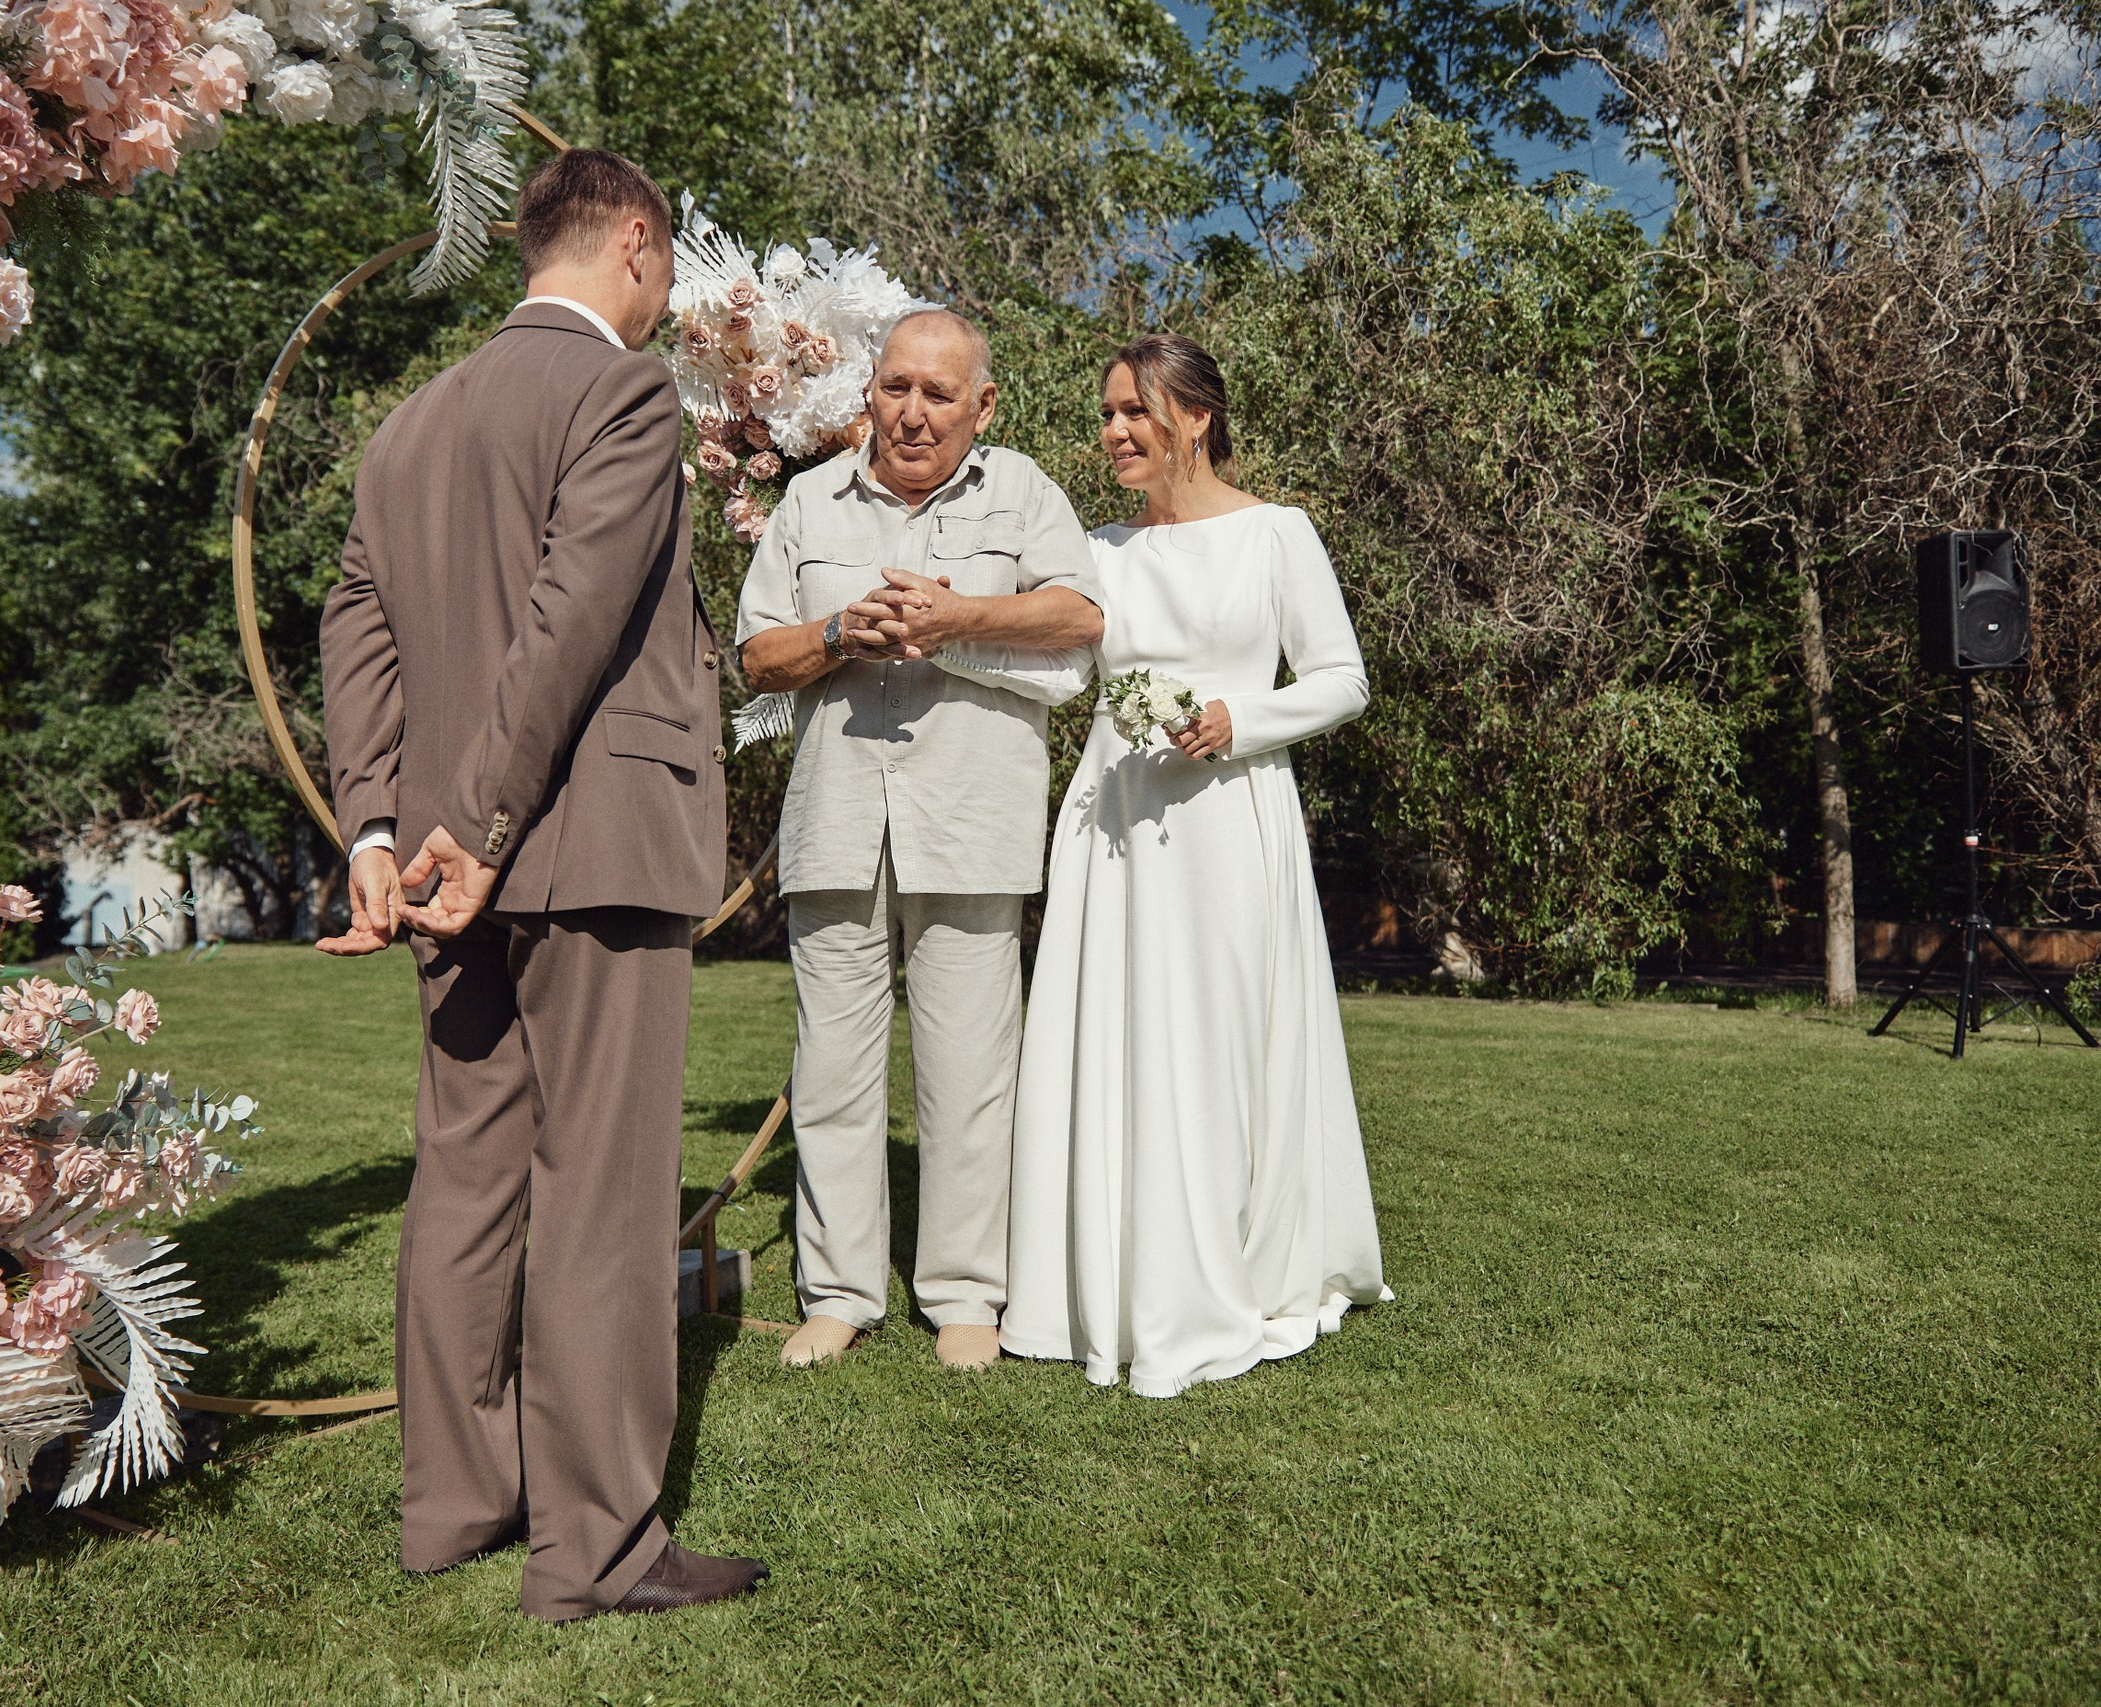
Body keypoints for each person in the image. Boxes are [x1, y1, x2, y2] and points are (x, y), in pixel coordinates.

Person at [315, 148, 767, 1620]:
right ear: (638, 239)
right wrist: (492, 821)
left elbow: (357, 624)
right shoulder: (623, 393)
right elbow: (574, 618)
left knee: (466, 1173)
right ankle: (600, 1547)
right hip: (582, 843)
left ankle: (454, 1503)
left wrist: (380, 829)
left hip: (451, 860)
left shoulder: (410, 425)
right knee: (604, 1194)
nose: (671, 294)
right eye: (672, 263)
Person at [999, 332, 1389, 1397]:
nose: (1113, 432)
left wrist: (1240, 717)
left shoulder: (1277, 536)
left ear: (1195, 417)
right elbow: (1057, 672)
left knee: (1214, 1038)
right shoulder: (1098, 549)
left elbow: (1343, 678)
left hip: (1225, 818)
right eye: (1108, 413)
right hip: (1112, 818)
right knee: (1112, 1030)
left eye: (1134, 412)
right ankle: (1103, 1282)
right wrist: (942, 634)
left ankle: (1224, 1265)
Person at [735, 309, 1102, 1372]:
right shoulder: (809, 501)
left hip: (972, 816)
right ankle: (838, 1293)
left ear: (982, 407)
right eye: (896, 387)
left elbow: (1080, 616)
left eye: (939, 394)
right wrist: (839, 633)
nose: (912, 411)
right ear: (869, 394)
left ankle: (963, 1298)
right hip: (836, 818)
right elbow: (758, 657)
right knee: (834, 1068)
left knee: (969, 1072)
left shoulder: (1024, 493)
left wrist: (955, 617)